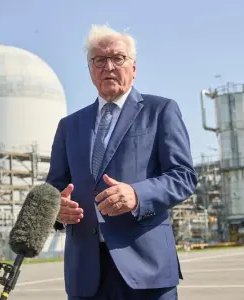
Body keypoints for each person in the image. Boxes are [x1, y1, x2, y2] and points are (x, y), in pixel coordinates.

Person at [46, 24, 197, 300]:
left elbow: (184, 175)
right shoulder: (69, 126)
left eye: (118, 58)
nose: (109, 66)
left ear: (134, 67)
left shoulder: (160, 110)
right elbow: (53, 188)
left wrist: (137, 194)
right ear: (90, 70)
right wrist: (56, 208)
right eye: (99, 60)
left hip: (147, 268)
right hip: (86, 273)